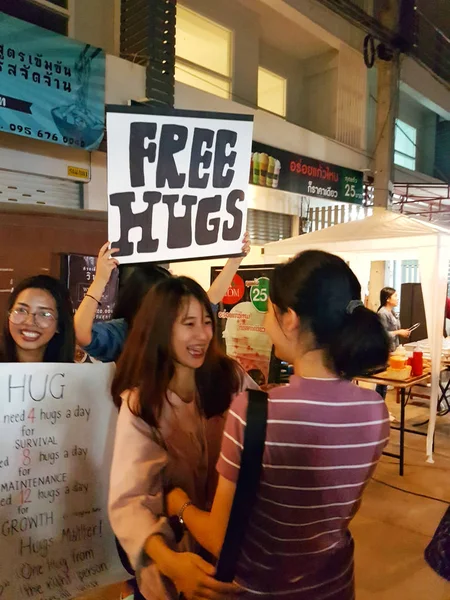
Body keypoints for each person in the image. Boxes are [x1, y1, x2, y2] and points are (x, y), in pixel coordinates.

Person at [166, 250, 390, 600]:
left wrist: (177, 502)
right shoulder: (376, 410)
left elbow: (219, 537)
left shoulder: (255, 412)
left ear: (290, 320)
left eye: (269, 311)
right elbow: (338, 514)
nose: (266, 323)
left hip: (258, 590)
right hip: (335, 587)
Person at [108, 275, 257, 600]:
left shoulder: (231, 378)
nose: (203, 334)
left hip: (236, 557)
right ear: (161, 329)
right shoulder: (140, 404)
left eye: (206, 321)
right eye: (188, 323)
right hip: (174, 564)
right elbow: (130, 502)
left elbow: (263, 431)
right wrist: (172, 563)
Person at [74, 235, 251, 363]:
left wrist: (234, 261)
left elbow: (210, 299)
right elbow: (82, 333)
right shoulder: (123, 332)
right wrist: (100, 279)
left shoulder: (176, 324)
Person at [0, 275, 75, 363]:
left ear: (59, 325)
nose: (30, 322)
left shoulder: (71, 374)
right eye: (21, 310)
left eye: (44, 314)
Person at [376, 287, 410, 399]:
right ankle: (379, 406)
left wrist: (402, 332)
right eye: (395, 296)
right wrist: (399, 332)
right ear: (387, 299)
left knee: (384, 381)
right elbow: (382, 334)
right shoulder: (382, 313)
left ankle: (381, 407)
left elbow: (394, 331)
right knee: (382, 381)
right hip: (385, 350)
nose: (397, 298)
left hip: (393, 349)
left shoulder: (392, 312)